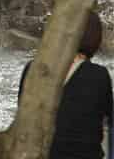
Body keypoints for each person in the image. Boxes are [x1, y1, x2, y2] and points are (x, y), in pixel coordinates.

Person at [18, 9, 113, 159]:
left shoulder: (33, 68)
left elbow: (22, 117)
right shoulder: (98, 75)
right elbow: (109, 120)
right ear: (94, 38)